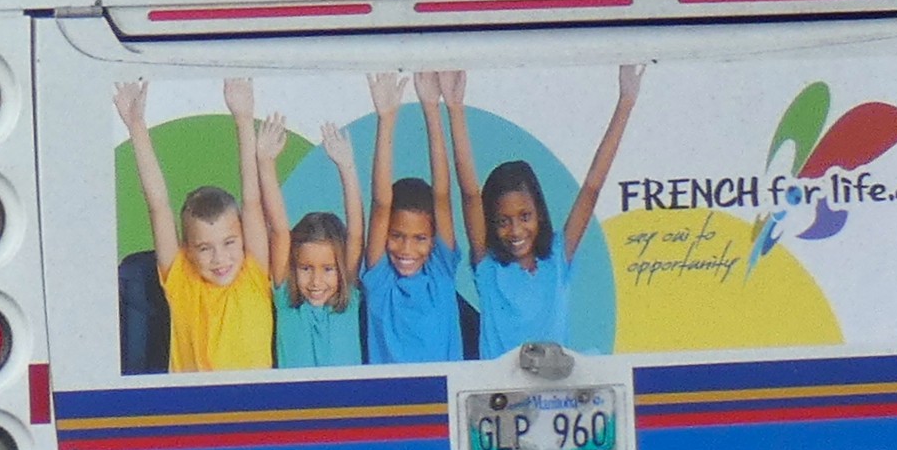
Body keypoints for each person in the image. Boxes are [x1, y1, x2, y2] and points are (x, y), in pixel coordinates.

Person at [454, 66, 646, 356]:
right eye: (503, 221)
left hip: (555, 380)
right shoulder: (488, 266)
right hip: (499, 383)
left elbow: (592, 187)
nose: (516, 230)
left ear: (540, 214)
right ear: (490, 224)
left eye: (525, 217)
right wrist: (455, 108)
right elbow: (470, 194)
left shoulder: (558, 255)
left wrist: (626, 102)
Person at [116, 75, 277, 372]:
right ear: (187, 250)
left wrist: (243, 118)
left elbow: (252, 200)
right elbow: (158, 206)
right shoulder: (181, 280)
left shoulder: (253, 274)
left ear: (243, 238)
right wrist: (136, 127)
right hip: (192, 400)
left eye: (229, 243)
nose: (220, 258)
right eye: (204, 248)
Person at [354, 67, 474, 365]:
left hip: (442, 393)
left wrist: (431, 109)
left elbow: (442, 196)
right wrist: (386, 120)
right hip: (392, 395)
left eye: (420, 238)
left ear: (433, 241)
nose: (407, 249)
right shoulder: (380, 281)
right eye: (397, 236)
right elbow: (380, 203)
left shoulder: (439, 271)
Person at [247, 98, 368, 367]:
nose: (316, 281)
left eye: (328, 269)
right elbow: (280, 230)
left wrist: (347, 168)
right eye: (305, 268)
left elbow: (356, 234)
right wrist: (265, 163)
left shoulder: (347, 299)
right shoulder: (286, 301)